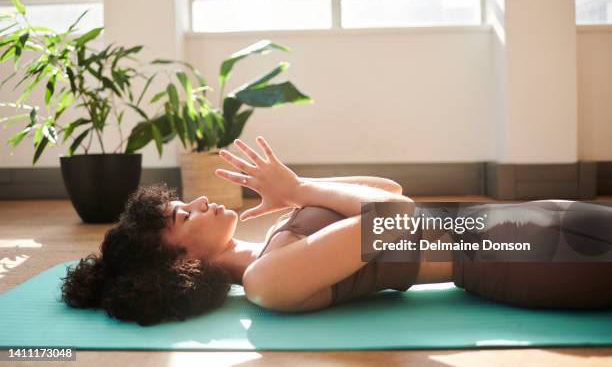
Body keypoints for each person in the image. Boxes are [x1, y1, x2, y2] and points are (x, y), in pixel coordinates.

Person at [61, 137, 612, 326]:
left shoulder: (276, 240)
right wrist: (301, 192)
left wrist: (298, 191)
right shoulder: (267, 282)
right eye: (184, 216)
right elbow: (401, 214)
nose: (199, 200)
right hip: (513, 254)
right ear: (179, 262)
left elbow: (381, 183)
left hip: (526, 221)